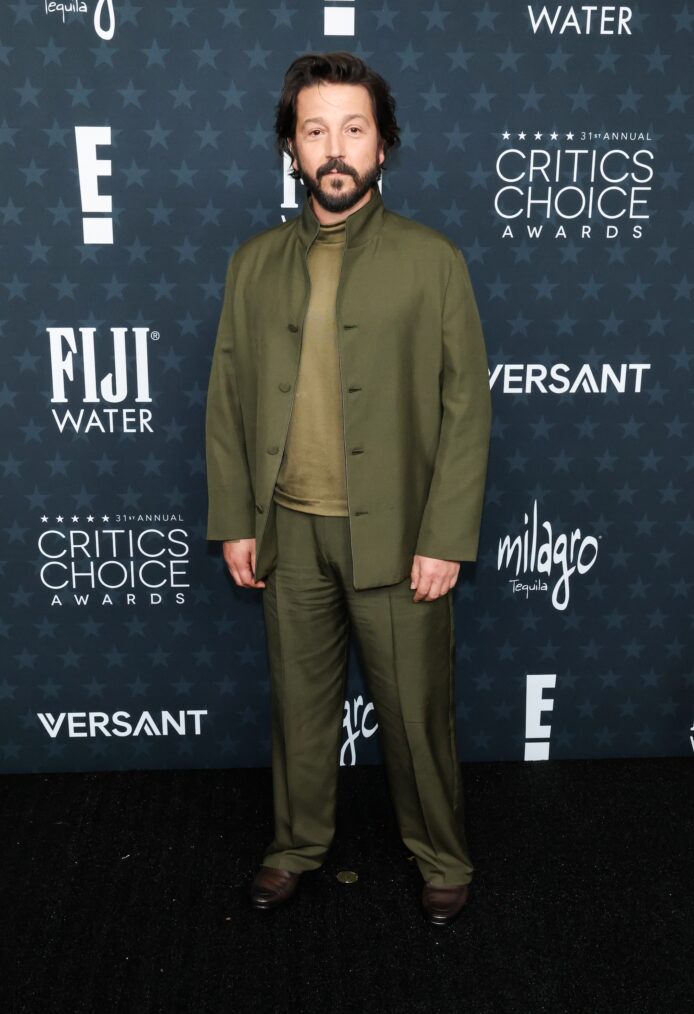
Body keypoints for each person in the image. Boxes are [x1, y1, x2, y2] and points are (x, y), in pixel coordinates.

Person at [205, 51, 492, 927]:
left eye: (354, 129)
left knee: (416, 716)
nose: (335, 147)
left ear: (384, 146)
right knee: (299, 710)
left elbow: (465, 406)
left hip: (401, 537)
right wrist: (233, 523)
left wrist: (445, 535)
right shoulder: (253, 264)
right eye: (315, 129)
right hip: (288, 533)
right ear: (292, 147)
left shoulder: (432, 260)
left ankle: (442, 856)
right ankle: (294, 847)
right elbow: (227, 397)